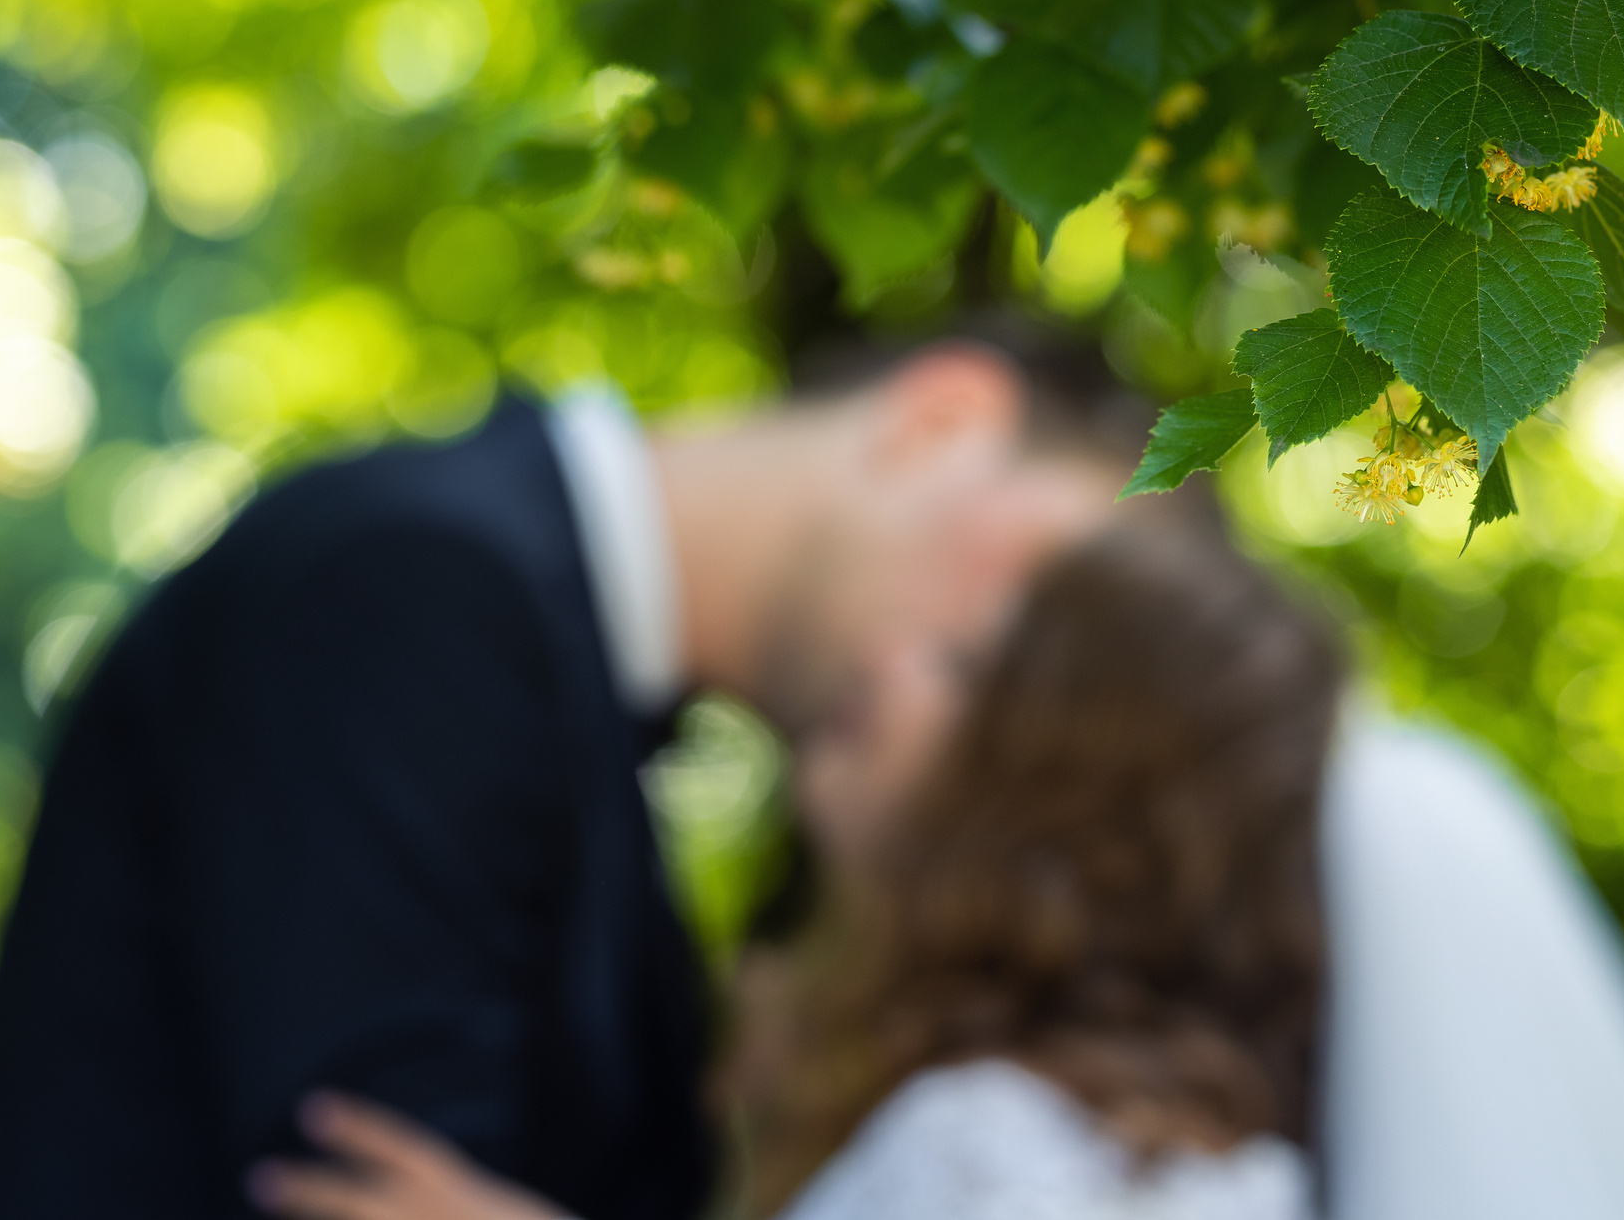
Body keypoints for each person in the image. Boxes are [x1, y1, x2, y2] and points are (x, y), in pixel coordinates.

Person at [0, 334, 1134, 1220]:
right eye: (1040, 593)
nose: (1029, 686)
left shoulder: (542, 644)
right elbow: (357, 1177)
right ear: (943, 417)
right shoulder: (416, 581)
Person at [247, 516, 1341, 1220]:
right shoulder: (1081, 1133)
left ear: (1070, 790)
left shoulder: (1004, 1146)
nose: (892, 659)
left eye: (964, 665)